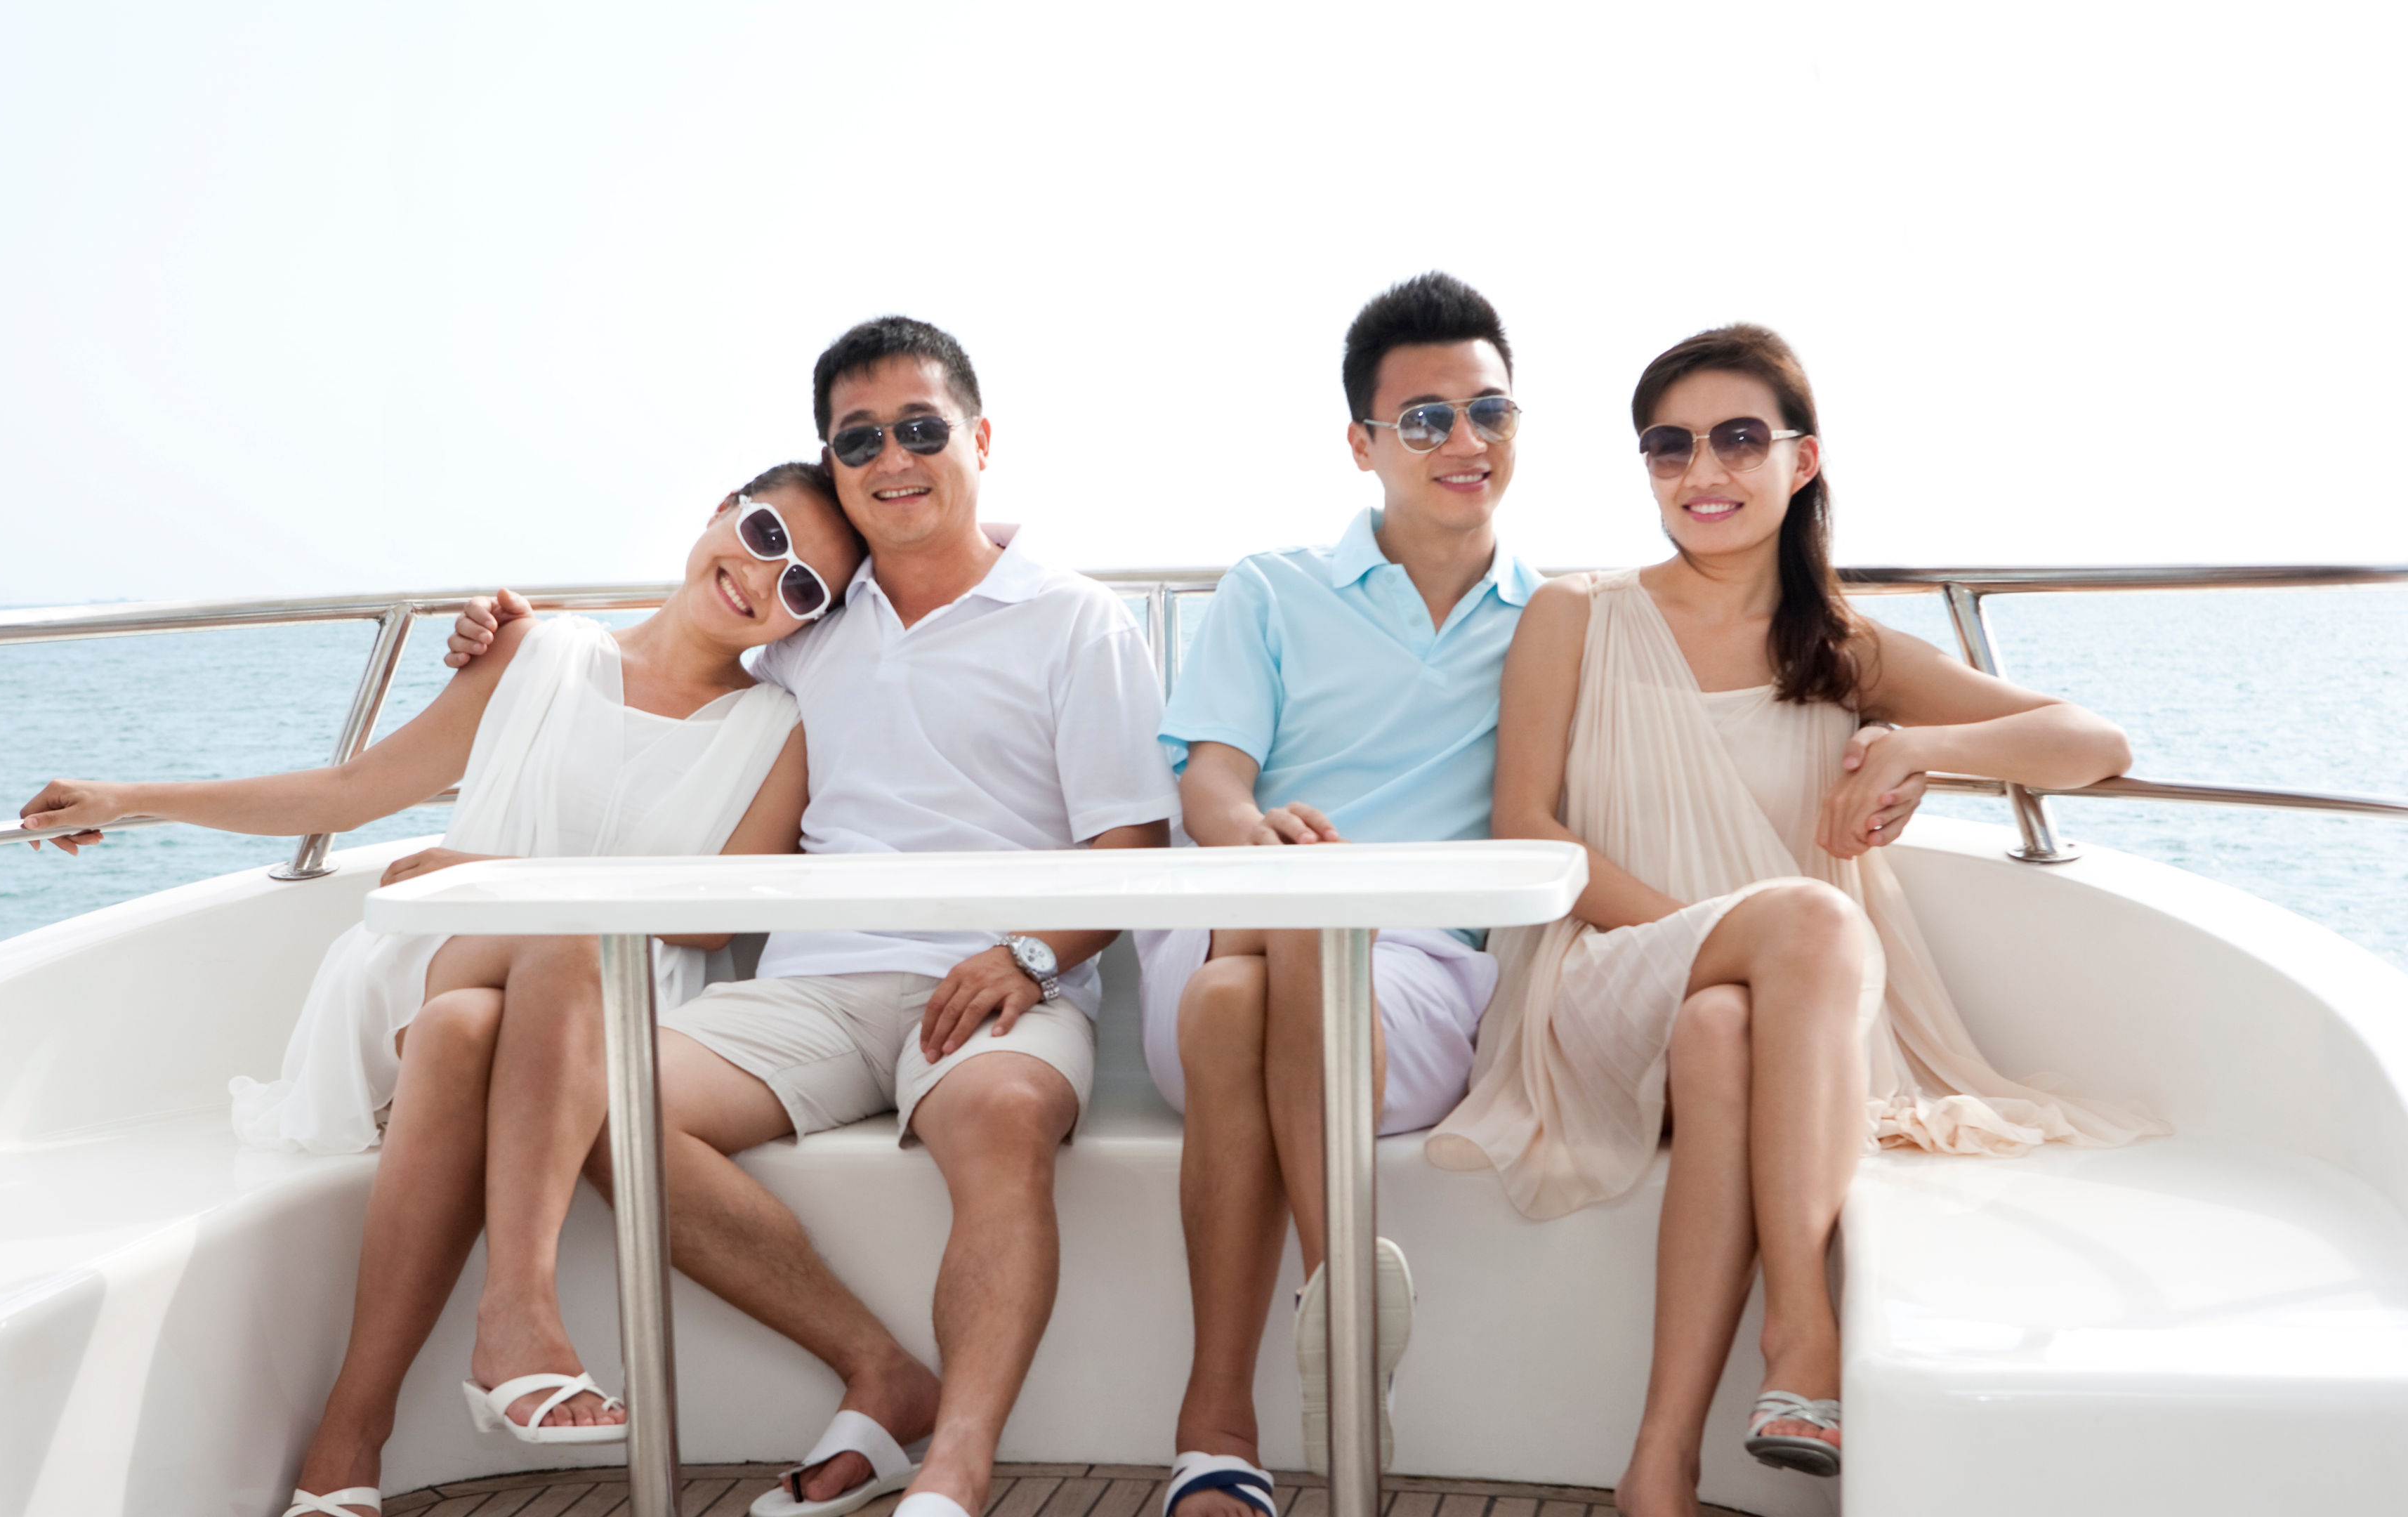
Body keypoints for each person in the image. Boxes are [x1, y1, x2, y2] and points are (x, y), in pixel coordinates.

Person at [16, 462, 862, 1517]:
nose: (765, 578)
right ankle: (520, 1320)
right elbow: (355, 790)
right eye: (767, 532)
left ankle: (346, 1443)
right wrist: (135, 798)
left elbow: (712, 915)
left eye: (805, 589)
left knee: (475, 1023)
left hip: (607, 1000)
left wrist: (495, 873)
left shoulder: (778, 728)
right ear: (721, 510)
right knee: (555, 947)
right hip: (438, 956)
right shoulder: (538, 649)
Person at [1424, 324, 2163, 1517]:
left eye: (1737, 440)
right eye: (1669, 447)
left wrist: (1921, 742)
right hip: (1606, 975)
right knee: (1807, 931)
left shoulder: (1842, 647)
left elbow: (2095, 745)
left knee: (1725, 1029)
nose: (1701, 473)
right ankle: (1803, 1341)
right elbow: (1529, 825)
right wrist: (1723, 935)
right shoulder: (1576, 614)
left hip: (1764, 1021)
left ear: (1802, 460)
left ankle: (1657, 1467)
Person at [449, 316, 1178, 1517]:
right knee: (607, 1107)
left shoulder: (1076, 620)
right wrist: (511, 638)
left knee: (999, 1121)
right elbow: (679, 649)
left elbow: (1133, 844)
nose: (893, 458)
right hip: (816, 981)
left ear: (981, 439)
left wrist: (1033, 952)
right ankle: (880, 1373)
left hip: (1004, 977)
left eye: (921, 429)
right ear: (834, 466)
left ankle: (958, 1463)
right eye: (859, 440)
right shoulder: (812, 625)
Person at [1129, 272, 1544, 1516]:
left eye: (1489, 412)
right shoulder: (1270, 589)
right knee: (1291, 921)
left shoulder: (1555, 618)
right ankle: (1344, 1312)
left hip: (1412, 986)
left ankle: (1215, 1424)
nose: (1462, 443)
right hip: (1237, 910)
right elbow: (1209, 784)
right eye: (1424, 419)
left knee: (1234, 1009)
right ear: (1363, 442)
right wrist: (1257, 835)